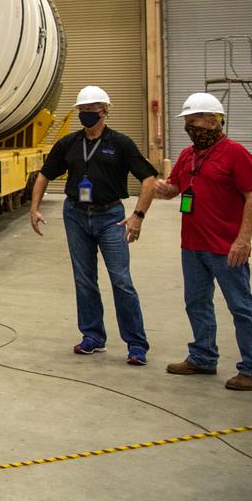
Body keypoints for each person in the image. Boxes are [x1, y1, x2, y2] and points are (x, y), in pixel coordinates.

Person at [29, 85, 159, 365]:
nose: (87, 114)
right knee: (84, 279)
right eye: (83, 111)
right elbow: (44, 174)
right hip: (75, 214)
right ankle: (93, 336)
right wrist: (34, 207)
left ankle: (136, 344)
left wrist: (138, 215)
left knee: (121, 281)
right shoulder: (69, 144)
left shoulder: (121, 143)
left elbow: (149, 178)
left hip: (111, 216)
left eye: (92, 110)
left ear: (104, 112)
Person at [154, 93, 252, 391]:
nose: (189, 127)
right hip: (192, 245)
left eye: (192, 121)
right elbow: (175, 189)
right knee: (196, 303)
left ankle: (250, 368)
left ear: (213, 121)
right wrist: (162, 188)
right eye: (186, 122)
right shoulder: (187, 155)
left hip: (226, 247)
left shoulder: (235, 154)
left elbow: (251, 195)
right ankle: (203, 357)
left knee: (240, 306)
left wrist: (243, 239)